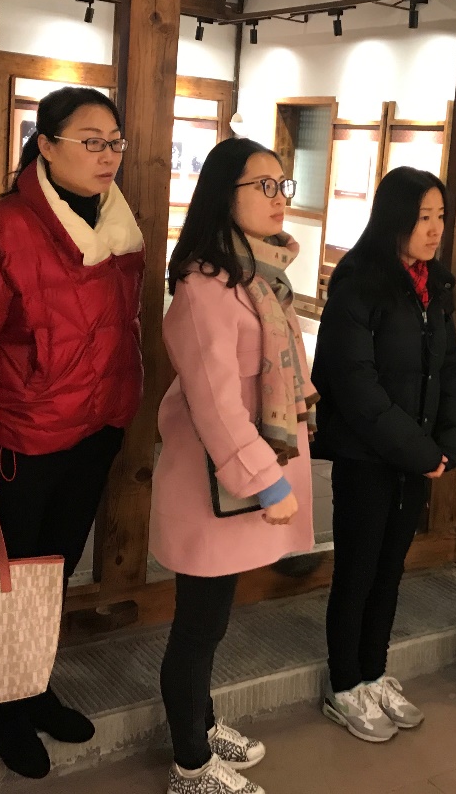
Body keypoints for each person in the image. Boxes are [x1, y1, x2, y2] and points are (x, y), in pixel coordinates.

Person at [0, 86, 145, 779]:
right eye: (90, 141)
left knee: (53, 569)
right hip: (21, 438)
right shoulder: (2, 229)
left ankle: (33, 686)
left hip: (94, 427)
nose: (106, 155)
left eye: (114, 142)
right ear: (46, 146)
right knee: (9, 575)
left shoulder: (118, 223)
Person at [150, 137, 316, 794]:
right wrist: (266, 481)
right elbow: (215, 402)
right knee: (197, 627)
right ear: (225, 195)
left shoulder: (262, 275)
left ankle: (203, 721)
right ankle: (190, 764)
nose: (278, 198)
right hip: (212, 485)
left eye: (282, 185)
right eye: (263, 186)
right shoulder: (203, 286)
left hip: (238, 479)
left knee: (212, 622)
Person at [311, 166, 456, 743]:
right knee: (357, 571)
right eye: (423, 217)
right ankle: (344, 683)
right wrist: (418, 450)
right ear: (393, 219)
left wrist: (447, 444)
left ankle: (374, 672)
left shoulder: (436, 286)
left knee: (390, 570)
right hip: (367, 458)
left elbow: (449, 369)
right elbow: (354, 384)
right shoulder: (359, 283)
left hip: (416, 457)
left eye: (440, 217)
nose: (434, 229)